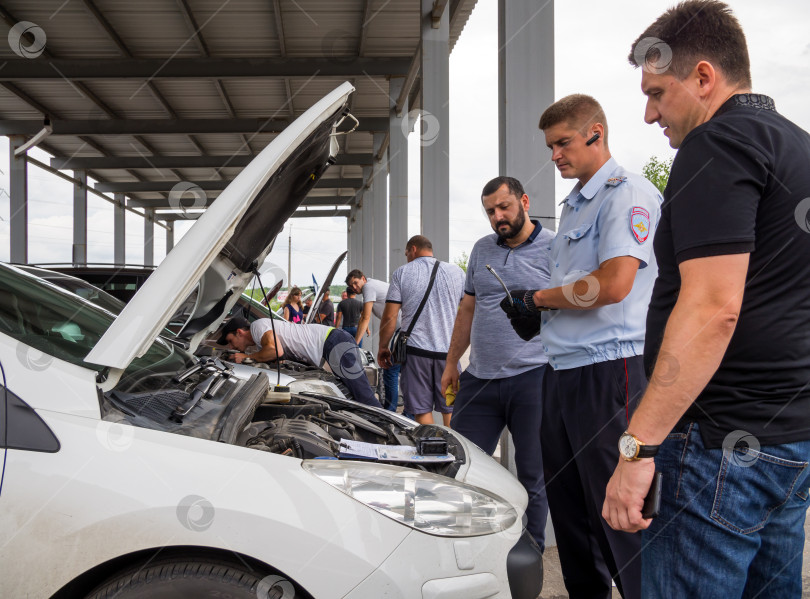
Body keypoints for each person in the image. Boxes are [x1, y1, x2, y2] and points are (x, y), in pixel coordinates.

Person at [601, 3, 810, 598]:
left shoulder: (716, 144)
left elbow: (714, 308)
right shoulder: (800, 149)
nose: (647, 114)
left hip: (717, 448)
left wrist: (637, 447)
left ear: (702, 77)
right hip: (789, 440)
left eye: (657, 93)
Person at [501, 95, 662, 599]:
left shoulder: (626, 193)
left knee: (621, 515)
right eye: (550, 146)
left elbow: (614, 283)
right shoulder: (573, 206)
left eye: (563, 143)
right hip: (562, 371)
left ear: (596, 132)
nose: (554, 156)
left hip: (610, 371)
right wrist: (538, 314)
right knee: (572, 519)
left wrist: (540, 298)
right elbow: (577, 288)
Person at [439, 176, 555, 553]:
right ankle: (466, 549)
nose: (498, 217)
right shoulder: (482, 249)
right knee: (459, 468)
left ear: (523, 201)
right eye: (491, 211)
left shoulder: (555, 247)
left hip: (534, 377)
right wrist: (452, 361)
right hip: (481, 379)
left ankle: (530, 554)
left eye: (504, 207)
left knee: (533, 475)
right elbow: (467, 308)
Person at [377, 235, 465, 426]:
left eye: (406, 253)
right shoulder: (457, 272)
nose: (407, 256)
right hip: (448, 355)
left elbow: (390, 317)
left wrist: (383, 346)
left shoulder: (402, 273)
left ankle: (433, 450)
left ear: (413, 249)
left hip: (416, 354)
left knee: (421, 410)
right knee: (450, 408)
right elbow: (468, 311)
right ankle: (455, 450)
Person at [218, 316, 381, 408]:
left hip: (332, 342)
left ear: (239, 332)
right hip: (329, 346)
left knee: (363, 395)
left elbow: (276, 350)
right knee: (352, 395)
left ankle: (393, 434)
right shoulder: (260, 341)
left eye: (231, 341)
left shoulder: (257, 326)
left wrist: (247, 358)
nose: (232, 347)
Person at [345, 269, 400, 411]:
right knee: (397, 371)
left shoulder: (369, 287)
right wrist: (366, 327)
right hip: (401, 330)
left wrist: (354, 344)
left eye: (356, 283)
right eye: (352, 286)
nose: (355, 288)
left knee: (390, 371)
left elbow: (365, 317)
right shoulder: (372, 285)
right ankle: (400, 410)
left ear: (363, 278)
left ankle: (391, 412)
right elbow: (365, 312)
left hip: (402, 331)